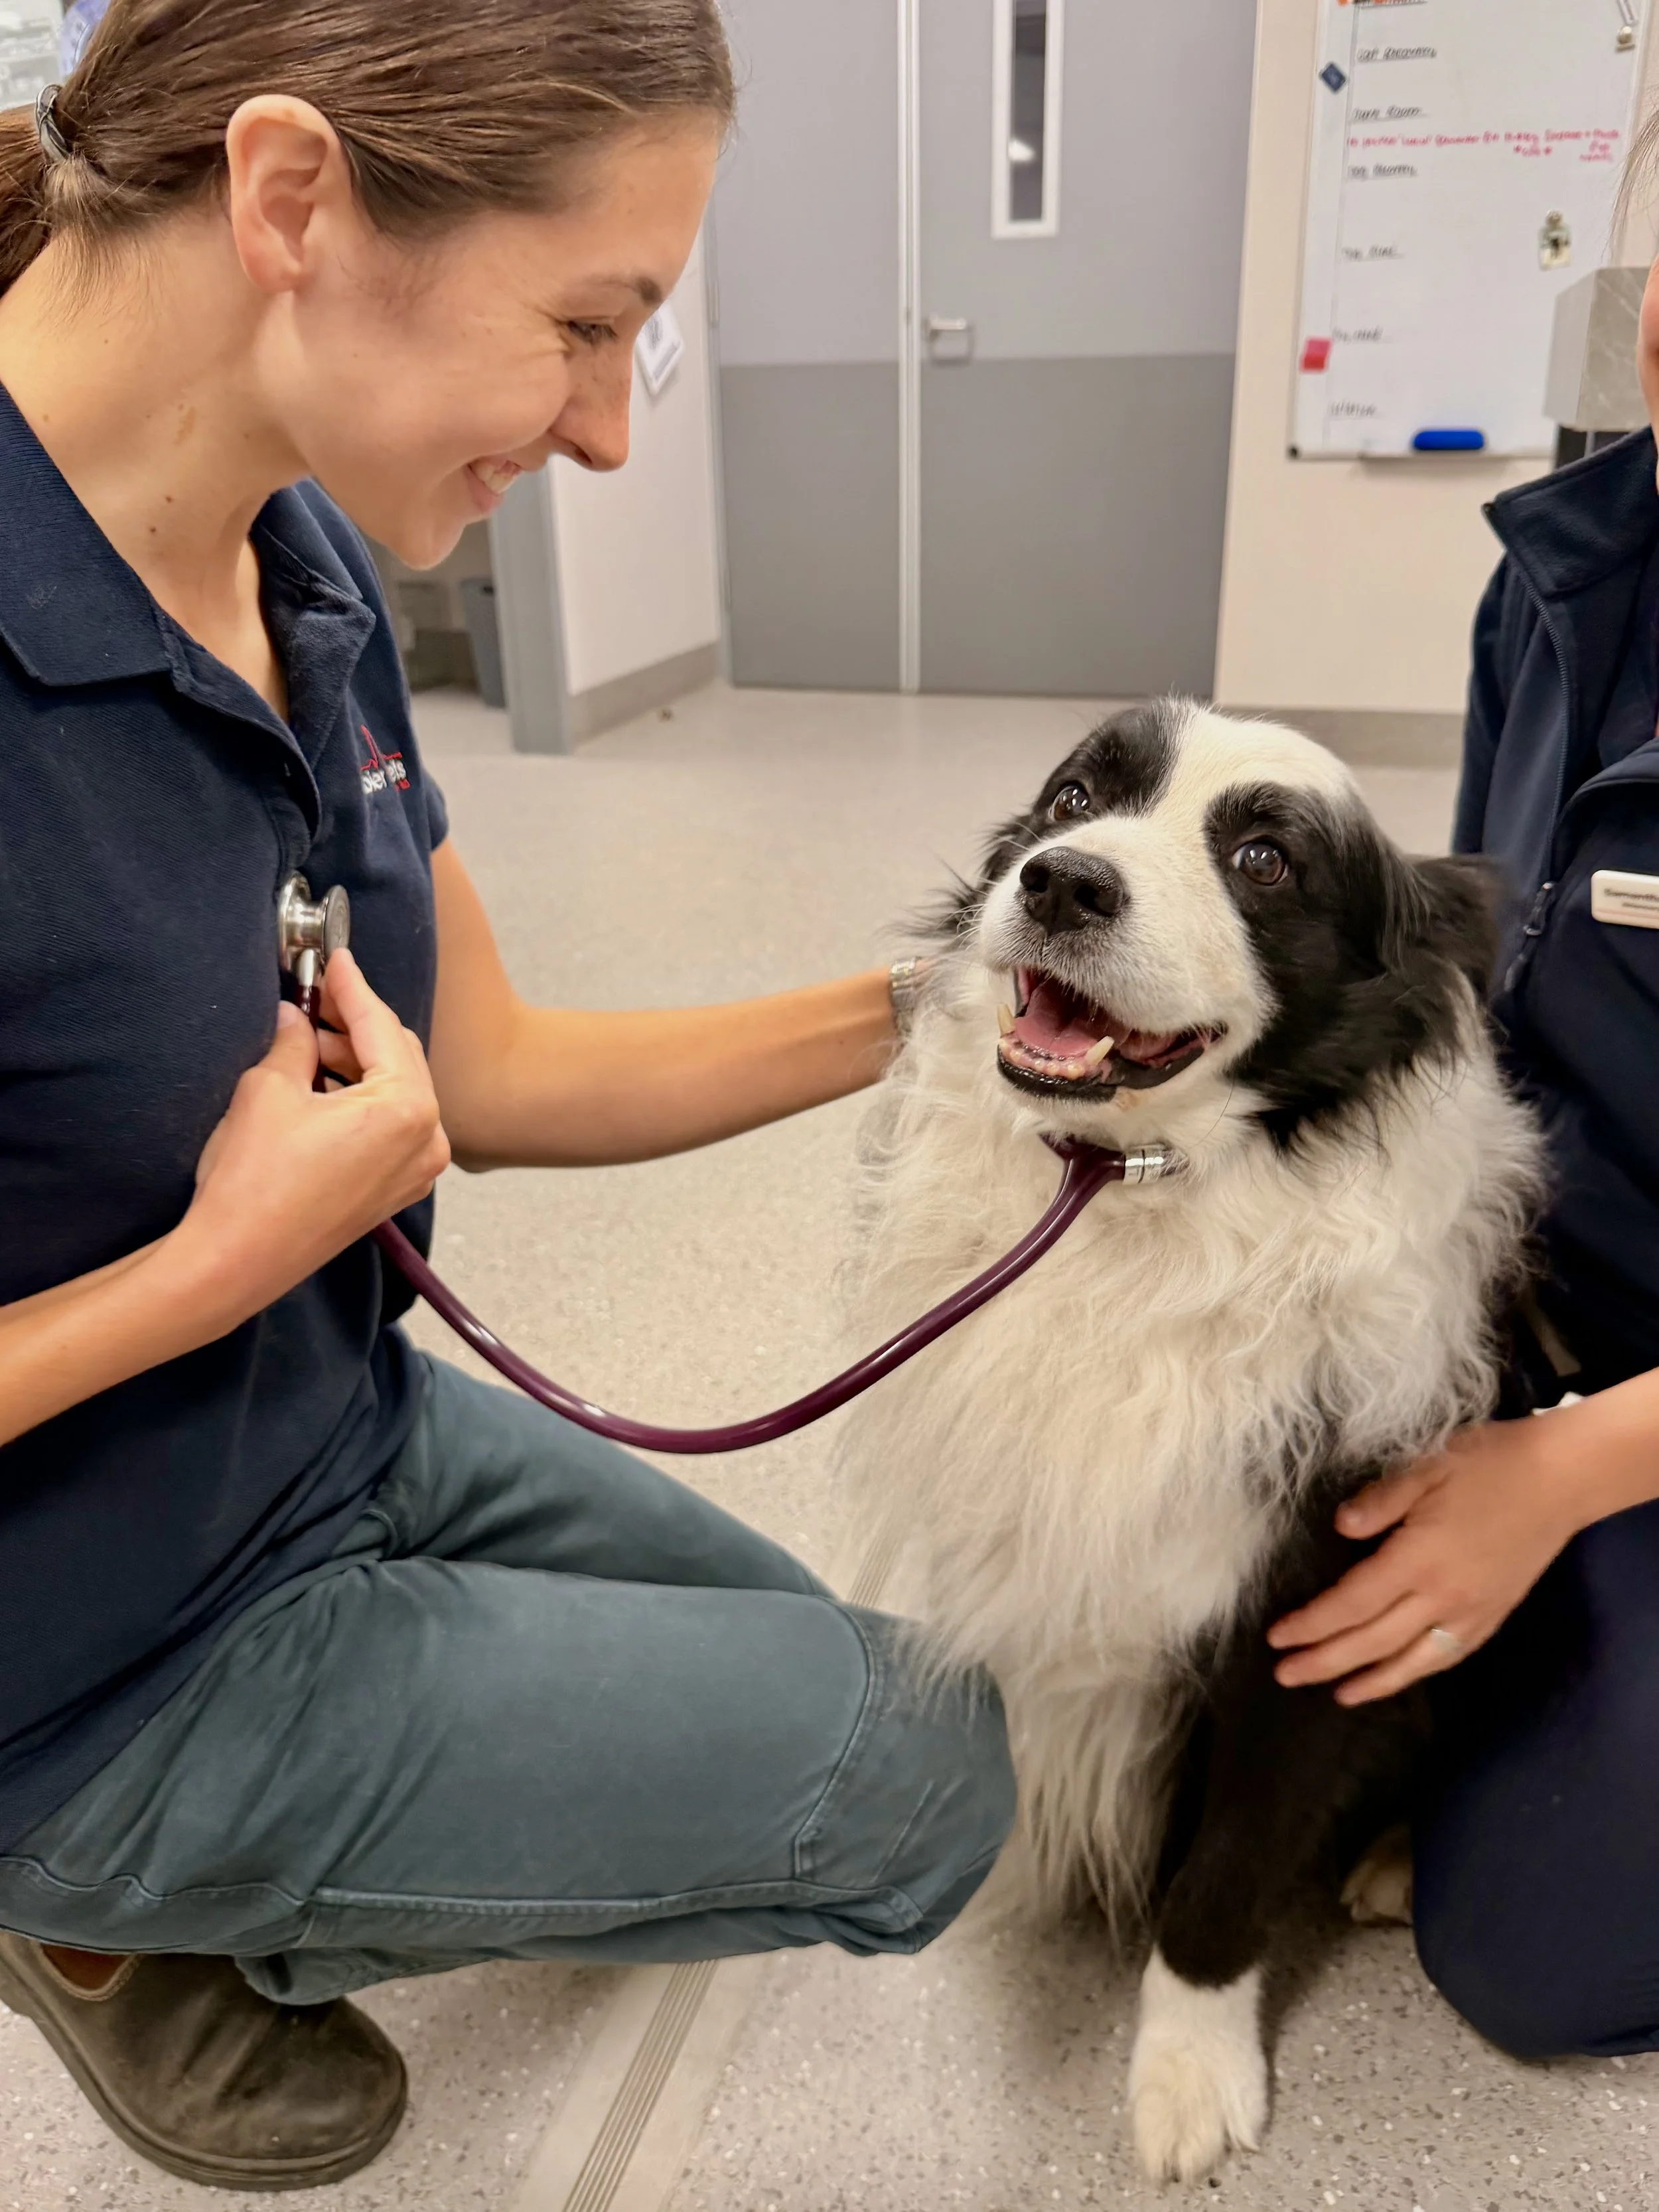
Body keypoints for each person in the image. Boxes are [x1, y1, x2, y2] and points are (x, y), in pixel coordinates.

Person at [0, 1, 1015, 2189]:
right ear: (288, 200)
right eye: (582, 325)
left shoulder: (306, 553)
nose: (604, 436)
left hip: (325, 1423)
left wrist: (961, 1001)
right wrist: (221, 1264)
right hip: (87, 1644)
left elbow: (490, 1062)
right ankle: (89, 1893)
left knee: (865, 1668)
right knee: (939, 1788)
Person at [1263, 219, 1659, 2057]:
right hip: (1541, 1290)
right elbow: (1474, 989)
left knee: (1541, 1949)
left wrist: (1566, 1471)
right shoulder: (1563, 582)